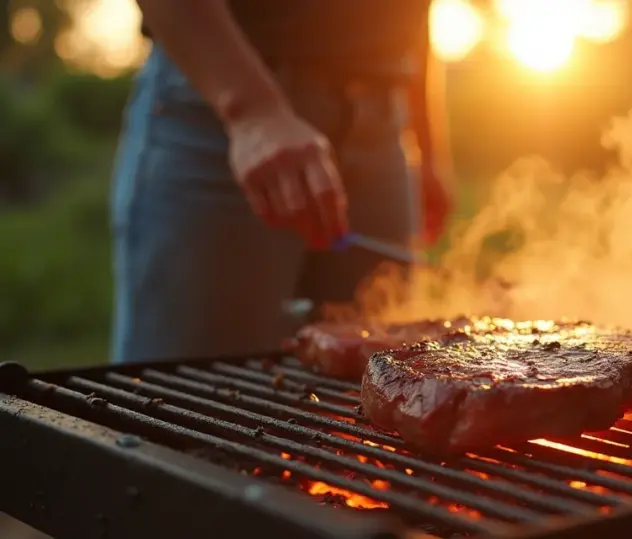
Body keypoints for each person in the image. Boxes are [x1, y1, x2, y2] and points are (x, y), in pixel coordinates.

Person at [111, 0, 452, 364]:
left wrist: (427, 148)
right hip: (220, 108)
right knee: (186, 387)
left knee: (384, 379)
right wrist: (252, 110)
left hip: (384, 123)